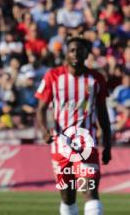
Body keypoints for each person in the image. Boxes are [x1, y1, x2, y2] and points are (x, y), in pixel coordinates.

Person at [35, 36, 112, 215]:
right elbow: (41, 109)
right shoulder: (53, 76)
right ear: (66, 54)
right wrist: (44, 130)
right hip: (61, 146)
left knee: (89, 190)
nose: (76, 53)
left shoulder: (96, 79)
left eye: (80, 50)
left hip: (87, 143)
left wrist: (107, 145)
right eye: (72, 50)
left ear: (87, 54)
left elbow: (103, 114)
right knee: (68, 196)